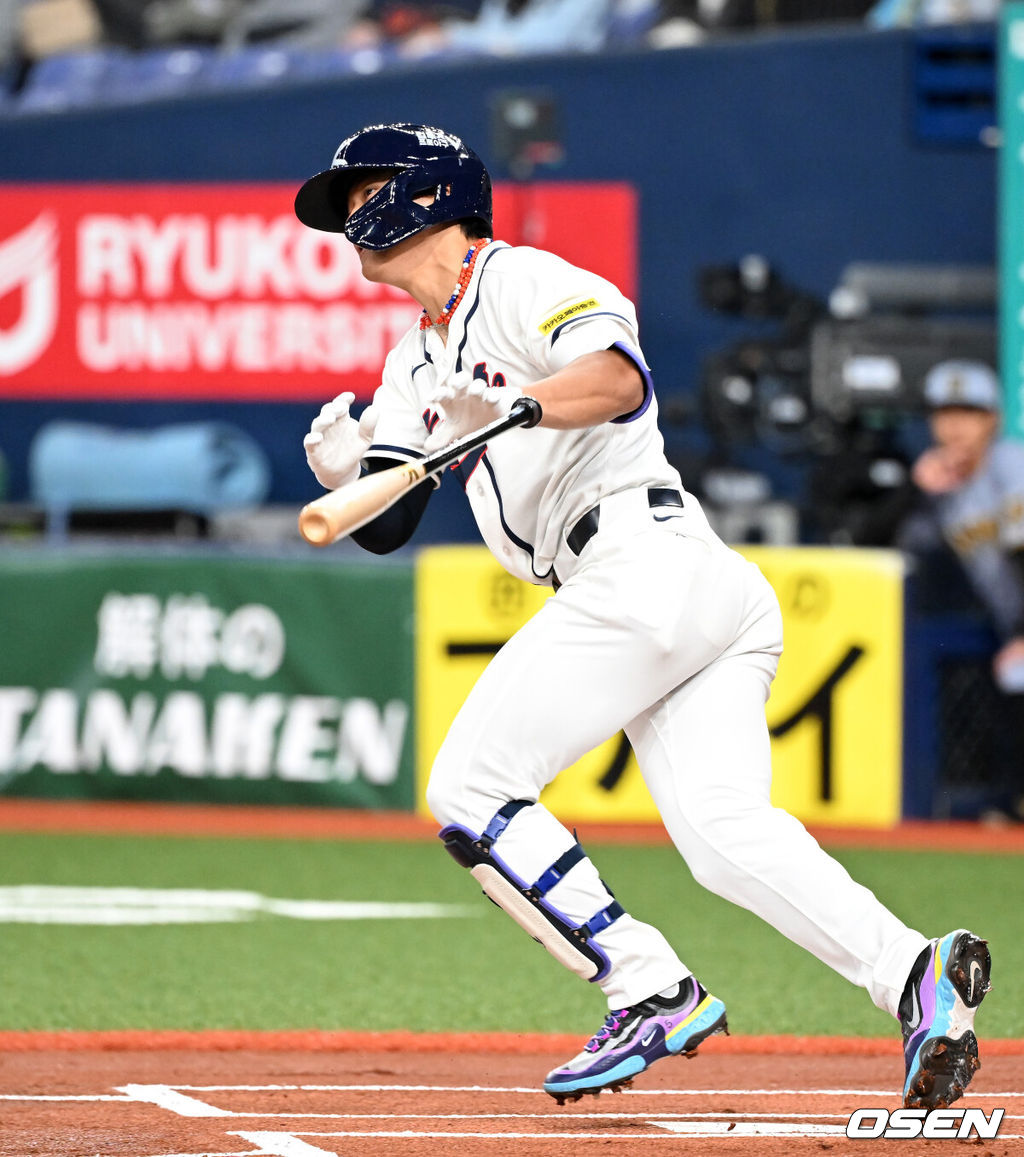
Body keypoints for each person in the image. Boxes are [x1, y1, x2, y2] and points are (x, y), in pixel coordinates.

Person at [293, 123, 991, 1107]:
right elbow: (386, 516)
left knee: (468, 786)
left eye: (367, 196)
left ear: (430, 194)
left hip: (644, 559)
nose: (354, 220)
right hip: (660, 588)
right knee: (721, 833)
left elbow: (618, 378)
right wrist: (349, 472)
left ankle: (646, 985)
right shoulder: (413, 366)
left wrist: (514, 404)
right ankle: (915, 970)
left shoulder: (521, 279)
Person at [905, 359, 1024, 818]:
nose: (954, 426)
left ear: (992, 418)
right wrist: (915, 492)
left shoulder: (1012, 464)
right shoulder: (944, 489)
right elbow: (891, 541)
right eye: (944, 413)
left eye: (969, 413)